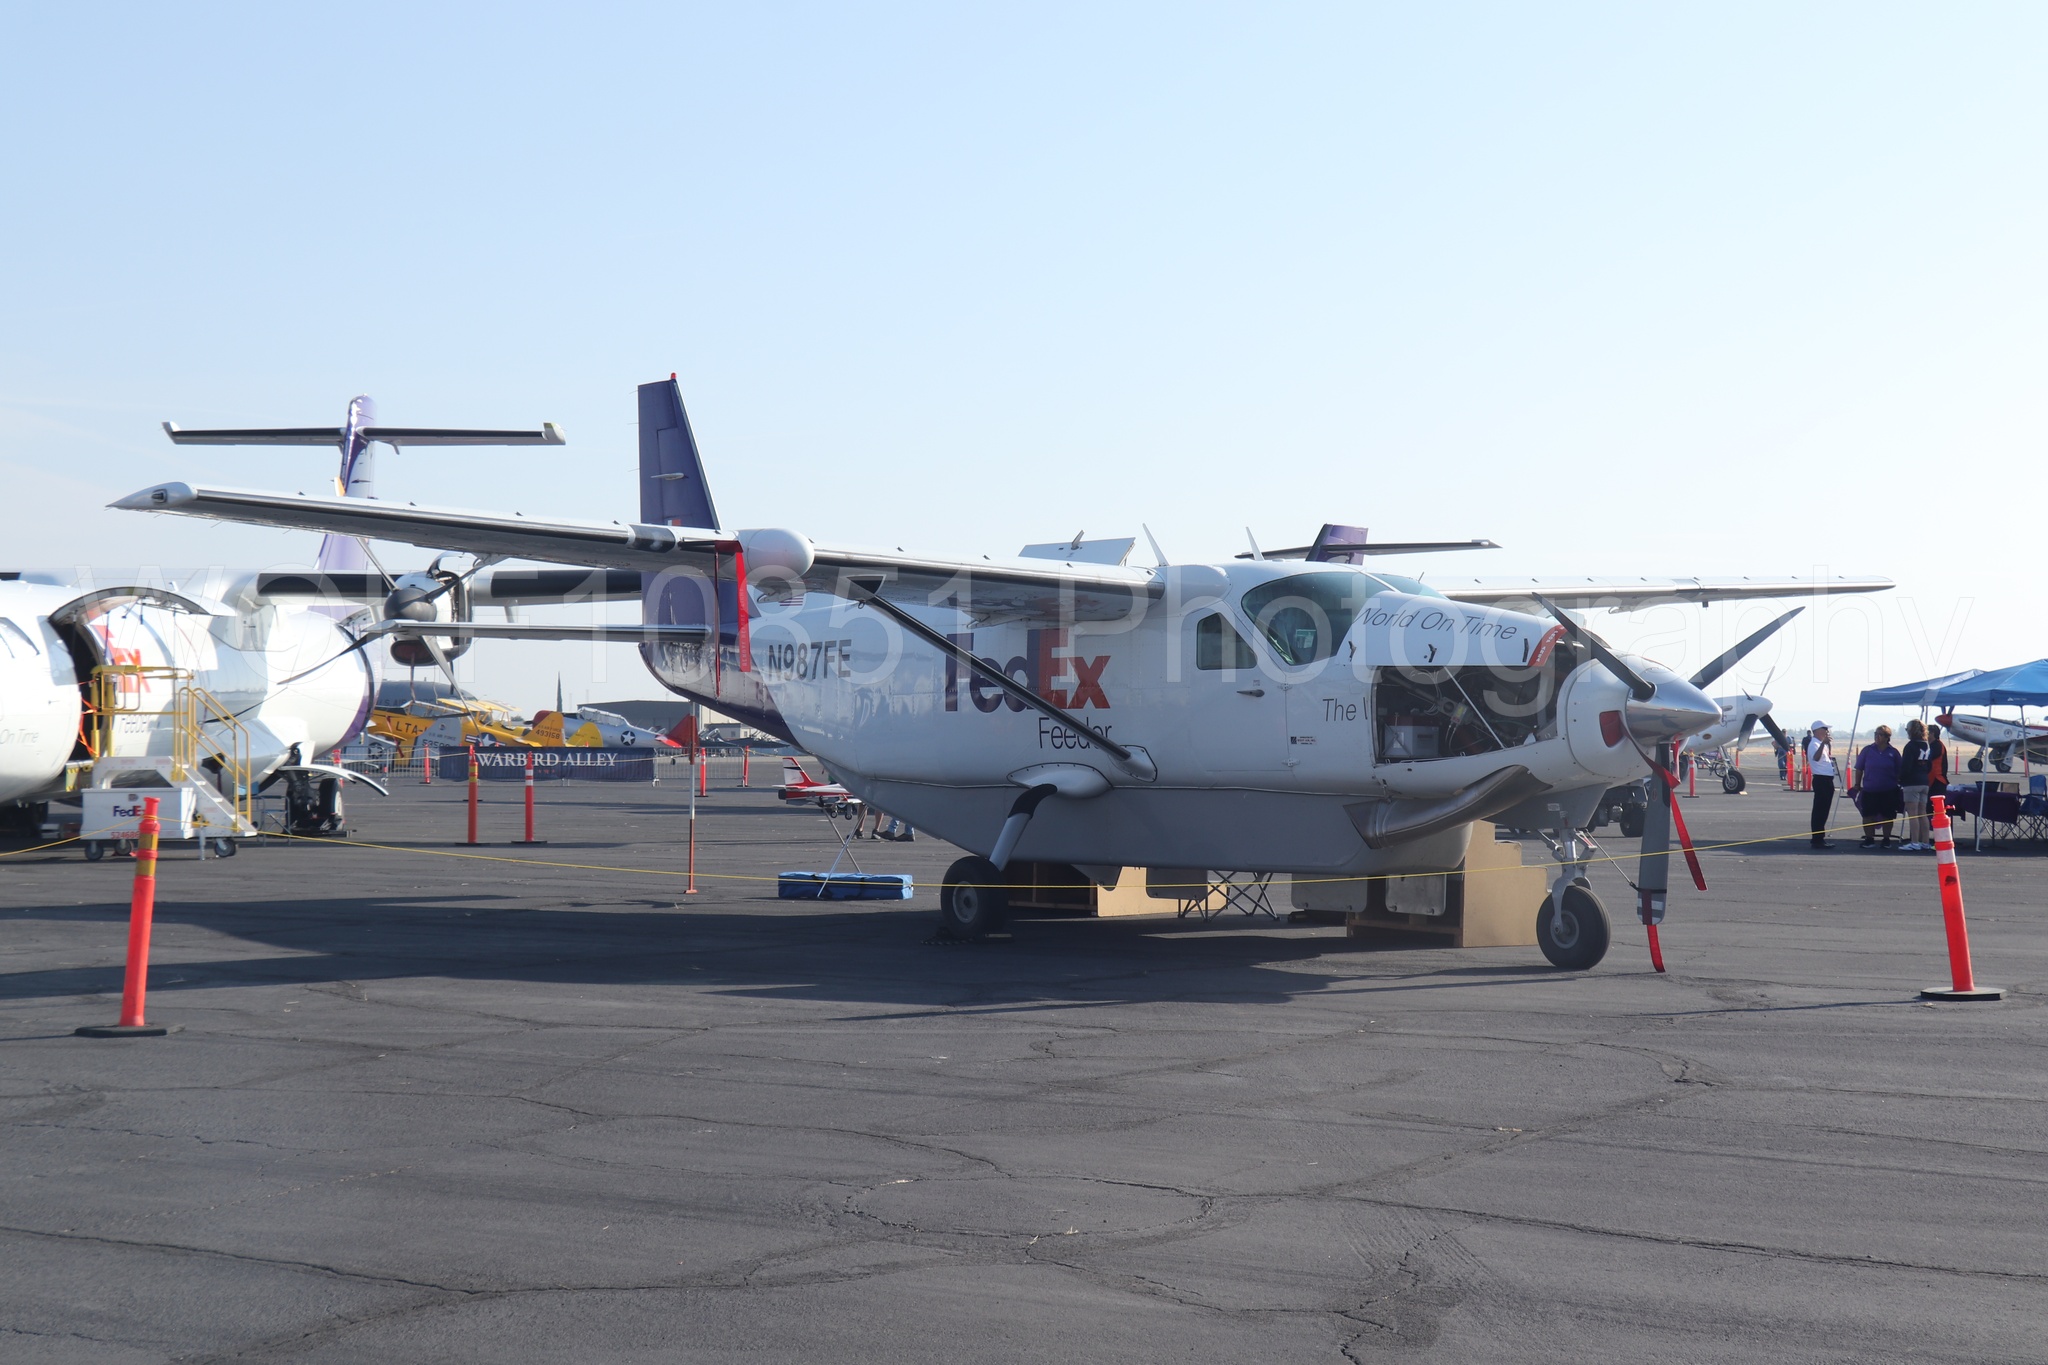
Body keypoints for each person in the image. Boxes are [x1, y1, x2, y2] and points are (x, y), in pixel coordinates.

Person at [1854, 725, 1904, 848]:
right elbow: (1859, 768)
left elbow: (1900, 770)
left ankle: (1886, 839)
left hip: (1889, 790)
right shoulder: (1867, 750)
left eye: (1880, 734)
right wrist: (1857, 784)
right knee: (1868, 815)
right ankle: (1869, 839)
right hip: (1870, 789)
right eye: (1875, 734)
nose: (1877, 737)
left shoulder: (1893, 752)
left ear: (1887, 737)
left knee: (1888, 815)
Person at [1897, 718, 1934, 851]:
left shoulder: (1910, 746)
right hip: (1924, 781)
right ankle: (1925, 841)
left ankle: (1914, 842)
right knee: (1922, 813)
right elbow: (1929, 765)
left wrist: (1900, 779)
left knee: (1913, 814)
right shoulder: (1926, 745)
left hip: (1911, 783)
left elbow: (1906, 766)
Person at [1806, 723, 1838, 848]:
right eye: (1825, 729)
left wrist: (1826, 744)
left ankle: (1819, 837)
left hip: (1826, 779)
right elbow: (1815, 758)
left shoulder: (1820, 744)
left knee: (1823, 810)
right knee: (1820, 810)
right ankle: (1817, 839)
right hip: (1821, 780)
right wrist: (1824, 743)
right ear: (1818, 730)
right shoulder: (1815, 744)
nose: (1827, 731)